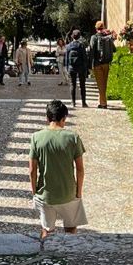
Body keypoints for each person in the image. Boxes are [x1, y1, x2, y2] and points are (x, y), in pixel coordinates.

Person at [29, 99, 87, 239]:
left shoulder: (36, 137)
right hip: (68, 192)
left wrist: (34, 191)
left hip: (45, 194)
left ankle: (46, 257)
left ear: (47, 118)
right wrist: (78, 192)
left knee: (47, 230)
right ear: (64, 118)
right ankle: (69, 255)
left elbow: (32, 170)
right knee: (71, 228)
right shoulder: (73, 138)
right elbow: (80, 169)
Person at [89, 21, 116, 110]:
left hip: (97, 64)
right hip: (106, 63)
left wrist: (90, 64)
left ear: (96, 28)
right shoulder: (107, 37)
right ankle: (101, 101)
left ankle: (103, 104)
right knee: (104, 84)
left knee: (100, 85)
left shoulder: (94, 37)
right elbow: (114, 49)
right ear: (103, 27)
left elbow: (92, 50)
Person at [65, 29, 90, 108]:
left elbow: (66, 58)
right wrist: (86, 67)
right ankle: (83, 103)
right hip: (81, 68)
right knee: (82, 85)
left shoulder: (68, 46)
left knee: (72, 85)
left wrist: (67, 67)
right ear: (79, 36)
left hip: (71, 68)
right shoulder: (81, 45)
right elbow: (84, 57)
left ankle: (73, 103)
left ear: (72, 36)